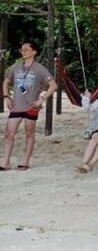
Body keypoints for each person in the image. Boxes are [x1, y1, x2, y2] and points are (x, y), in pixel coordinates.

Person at [2, 40, 57, 171]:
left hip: (31, 106)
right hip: (16, 106)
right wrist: (6, 97)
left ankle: (25, 161)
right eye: (22, 50)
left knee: (29, 133)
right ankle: (5, 161)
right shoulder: (15, 67)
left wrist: (41, 99)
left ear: (34, 52)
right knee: (9, 133)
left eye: (26, 49)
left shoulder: (39, 68)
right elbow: (5, 82)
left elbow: (53, 85)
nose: (23, 52)